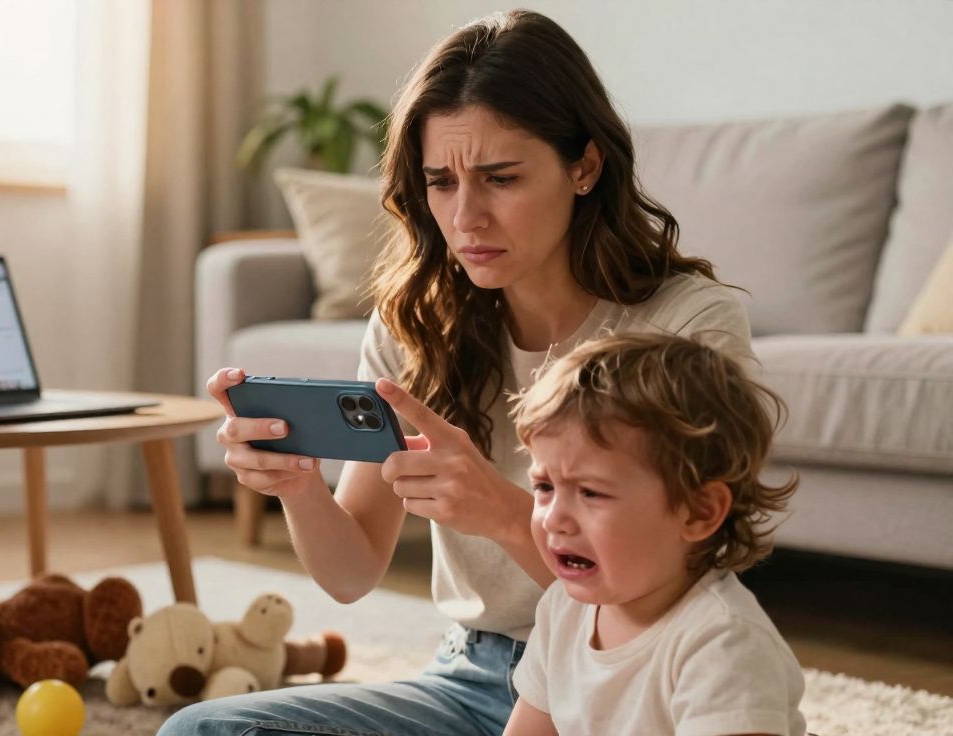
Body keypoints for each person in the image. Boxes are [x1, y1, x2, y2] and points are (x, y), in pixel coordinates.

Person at [166, 10, 755, 736]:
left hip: (636, 689)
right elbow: (351, 575)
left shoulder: (691, 325)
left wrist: (506, 513)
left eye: (500, 178)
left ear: (585, 165)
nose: (466, 216)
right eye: (440, 182)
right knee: (204, 732)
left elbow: (682, 588)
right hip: (476, 681)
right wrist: (298, 488)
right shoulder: (416, 325)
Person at [505, 334, 804, 735]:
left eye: (591, 492)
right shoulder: (562, 609)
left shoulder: (722, 644)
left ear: (699, 512)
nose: (555, 518)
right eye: (544, 487)